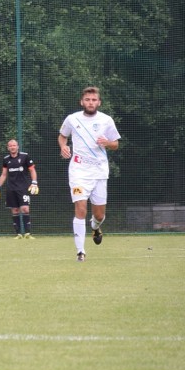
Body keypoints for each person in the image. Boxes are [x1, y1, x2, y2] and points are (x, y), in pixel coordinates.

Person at [58, 86, 121, 261]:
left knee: (99, 214)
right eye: (87, 100)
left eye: (94, 100)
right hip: (78, 172)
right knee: (80, 208)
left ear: (99, 102)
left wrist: (107, 142)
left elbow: (115, 144)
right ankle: (80, 252)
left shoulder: (106, 120)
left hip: (99, 172)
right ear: (82, 101)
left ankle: (95, 227)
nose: (90, 103)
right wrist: (63, 146)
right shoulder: (72, 119)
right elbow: (62, 136)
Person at [0, 138, 38, 239]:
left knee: (25, 209)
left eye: (14, 145)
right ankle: (18, 234)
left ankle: (27, 233)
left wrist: (34, 182)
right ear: (8, 148)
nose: (12, 147)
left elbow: (32, 170)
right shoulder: (6, 159)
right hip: (11, 188)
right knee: (15, 211)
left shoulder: (25, 156)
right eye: (10, 146)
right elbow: (4, 175)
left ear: (17, 147)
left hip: (24, 187)